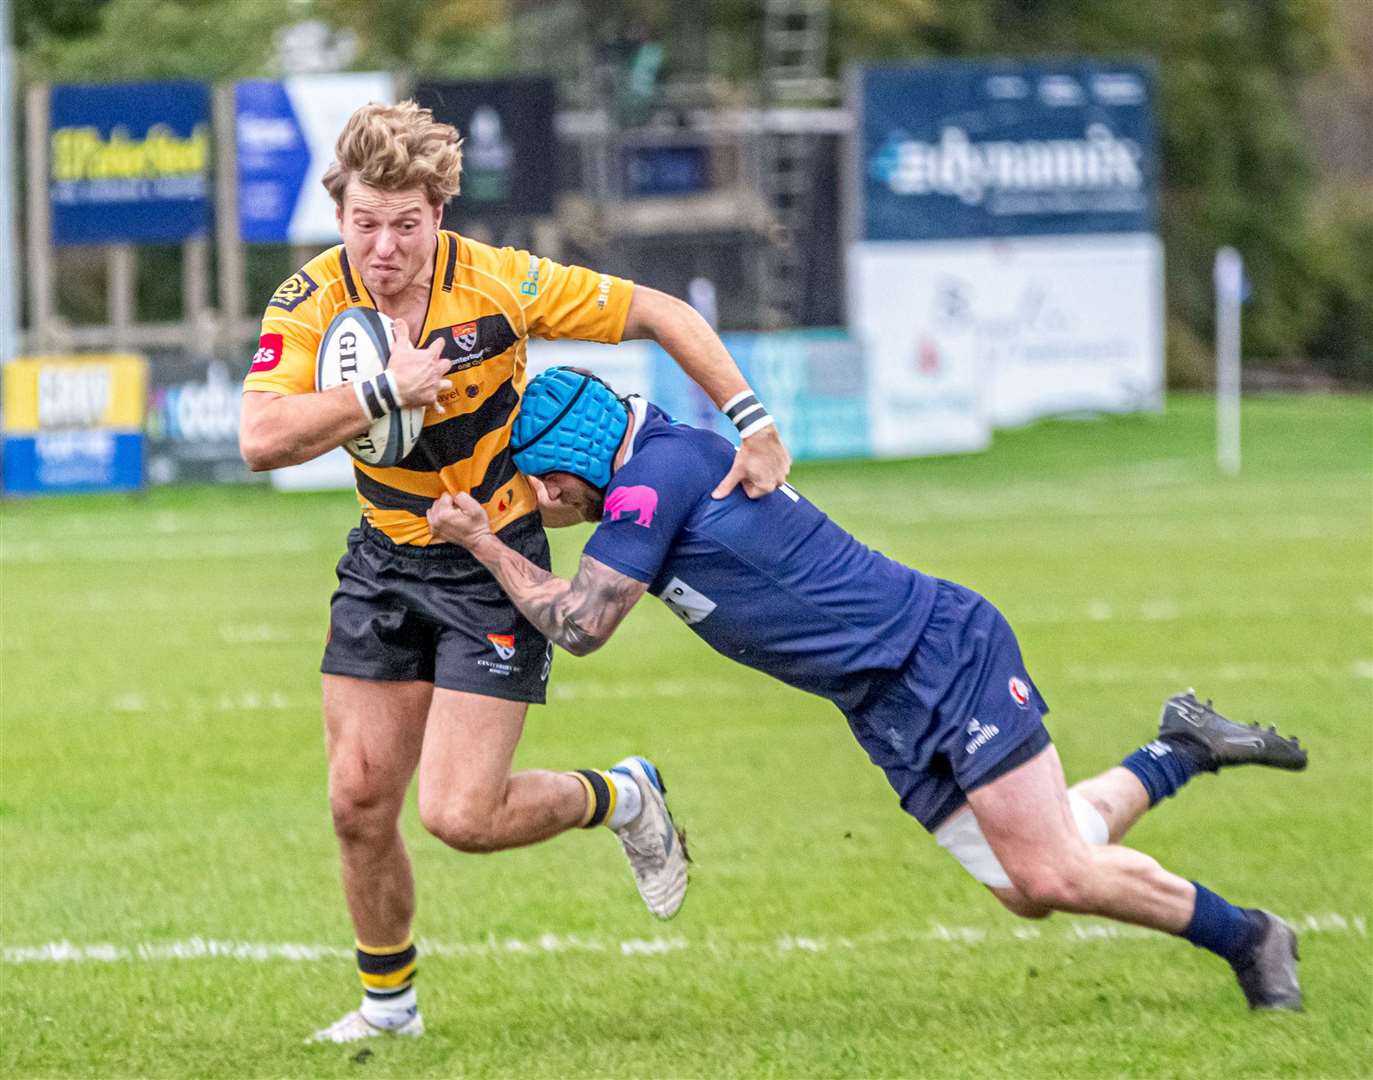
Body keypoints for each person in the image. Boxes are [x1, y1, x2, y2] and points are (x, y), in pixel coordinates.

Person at [426, 367, 1311, 1011]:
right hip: (880, 698)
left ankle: (1251, 937)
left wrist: (483, 543)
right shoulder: (651, 464)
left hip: (938, 654)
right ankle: (1182, 745)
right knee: (1028, 886)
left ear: (568, 463)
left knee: (1049, 868)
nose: (542, 503)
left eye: (542, 486)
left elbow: (580, 626)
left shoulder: (649, 483)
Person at [238, 101, 790, 1044]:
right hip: (383, 557)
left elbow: (657, 311)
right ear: (340, 215)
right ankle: (389, 1008)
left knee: (462, 816)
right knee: (357, 801)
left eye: (405, 225)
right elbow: (258, 439)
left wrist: (752, 421)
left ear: (438, 214)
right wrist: (380, 391)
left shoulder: (498, 283)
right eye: (364, 223)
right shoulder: (309, 300)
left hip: (489, 564)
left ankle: (621, 794)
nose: (383, 247)